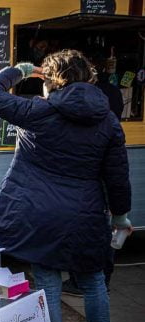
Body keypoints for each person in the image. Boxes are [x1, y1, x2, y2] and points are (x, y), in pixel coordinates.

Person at [0, 50, 137, 322]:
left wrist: (19, 71)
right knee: (94, 283)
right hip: (86, 215)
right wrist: (120, 217)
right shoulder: (107, 120)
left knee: (48, 285)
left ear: (50, 82)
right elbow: (117, 176)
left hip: (38, 216)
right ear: (90, 79)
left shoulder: (38, 110)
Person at [62, 50, 126, 297]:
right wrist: (123, 213)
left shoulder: (70, 101)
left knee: (82, 231)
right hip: (105, 167)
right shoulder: (111, 99)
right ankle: (99, 279)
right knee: (105, 231)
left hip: (86, 171)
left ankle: (84, 280)